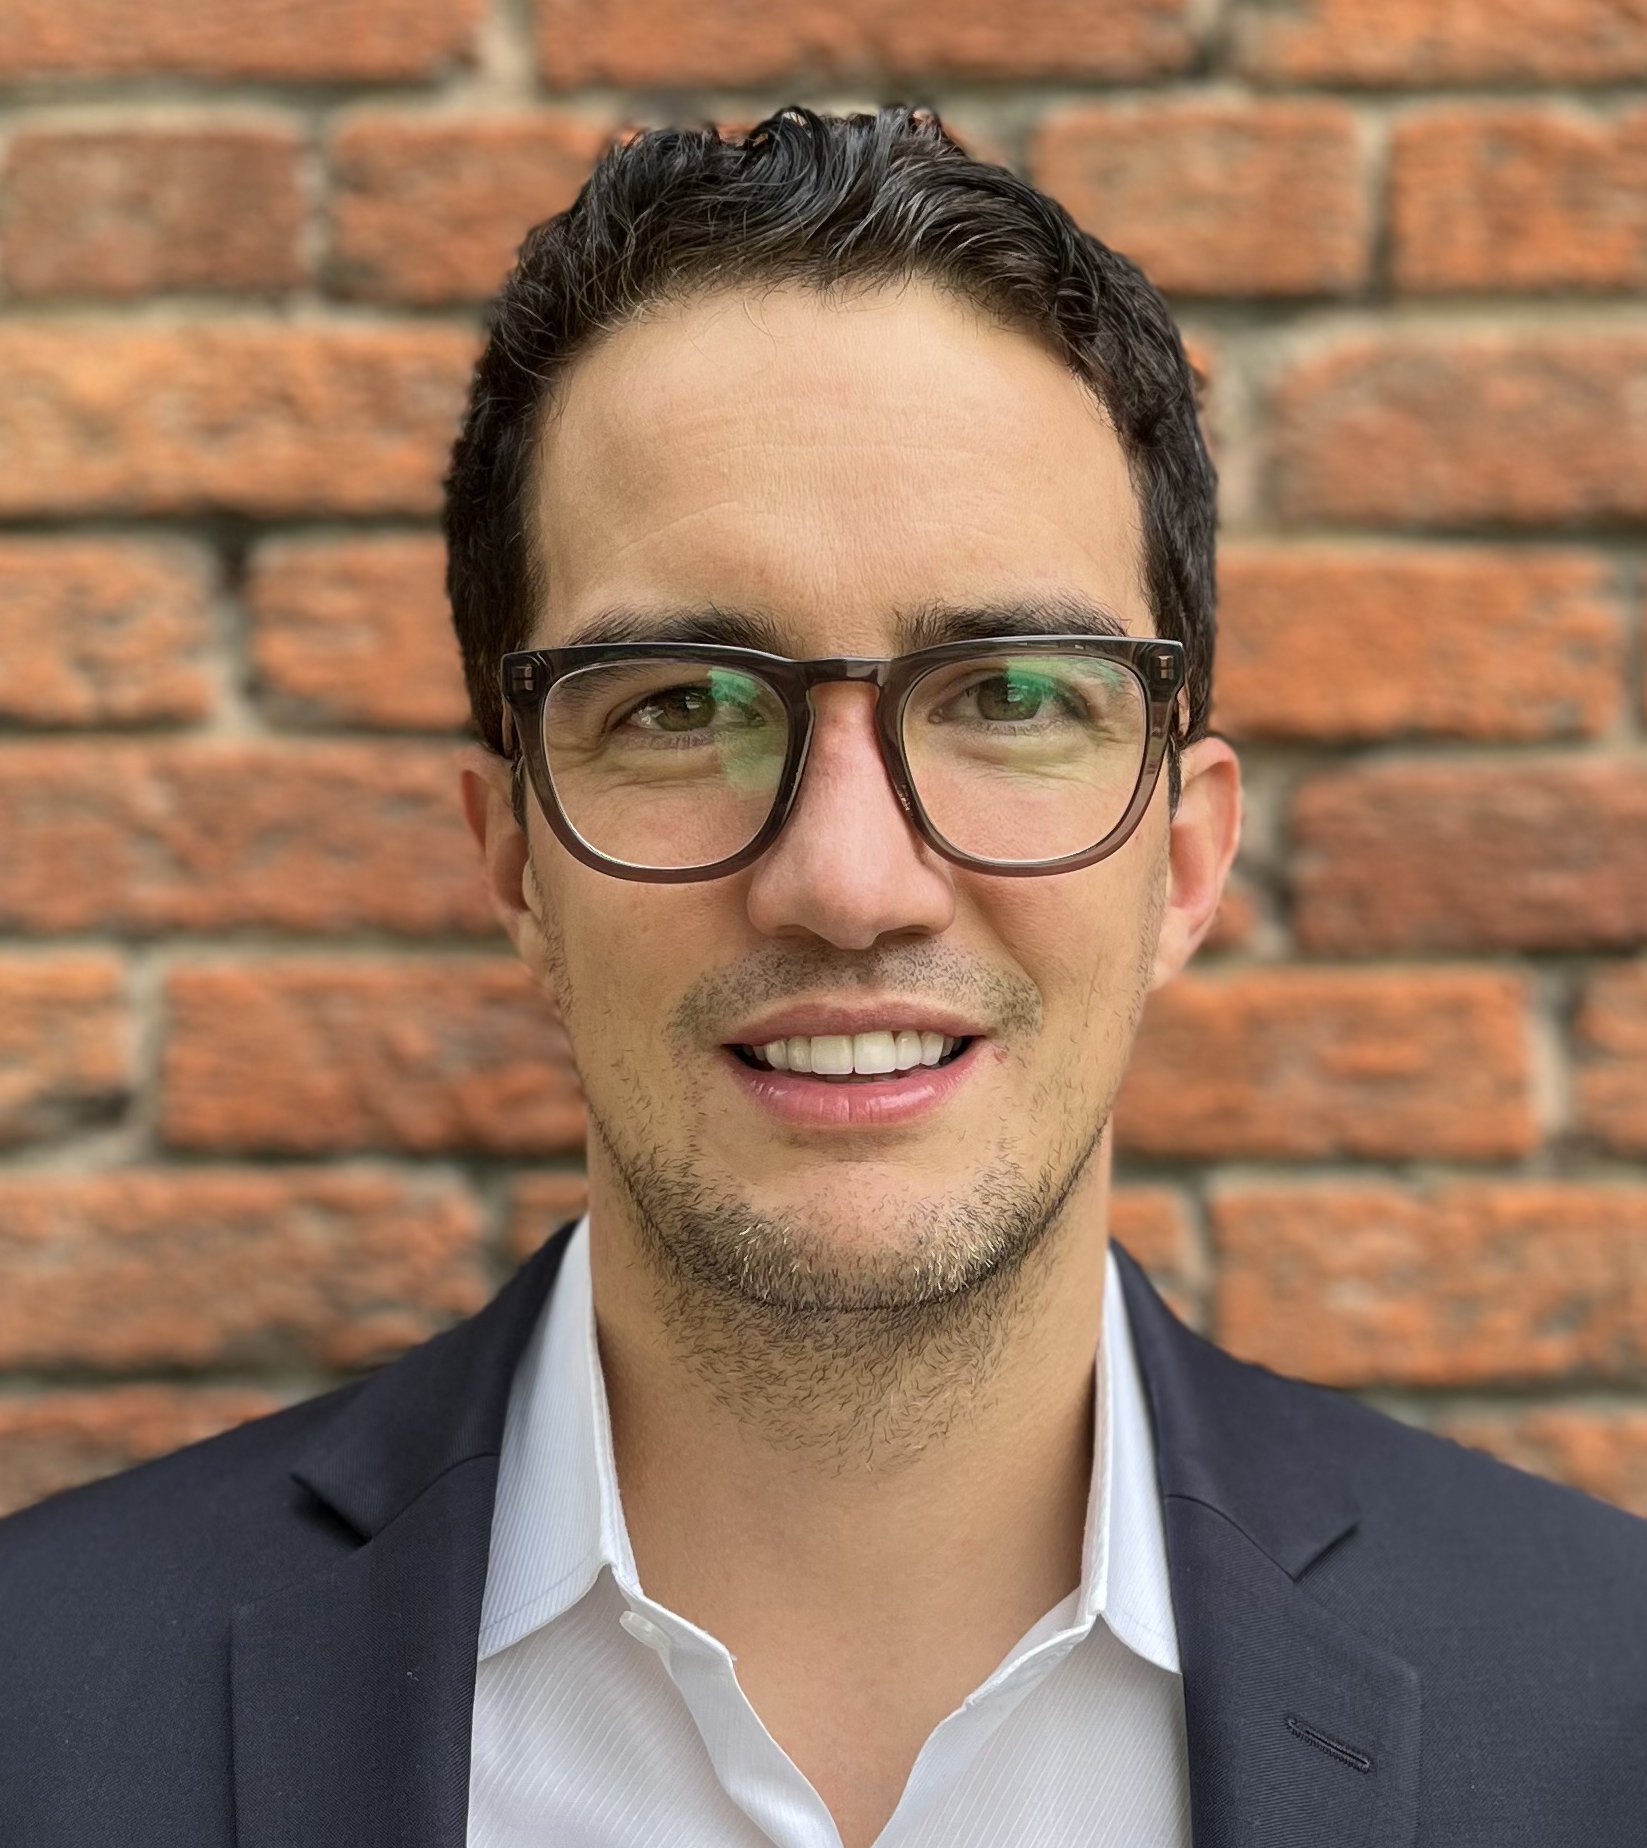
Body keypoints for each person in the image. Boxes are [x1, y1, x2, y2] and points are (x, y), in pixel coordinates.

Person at [2, 102, 1643, 1848]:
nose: (849, 885)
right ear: (515, 861)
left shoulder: (1606, 1708)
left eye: (1010, 695)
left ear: (1183, 857)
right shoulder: (41, 1708)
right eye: (679, 708)